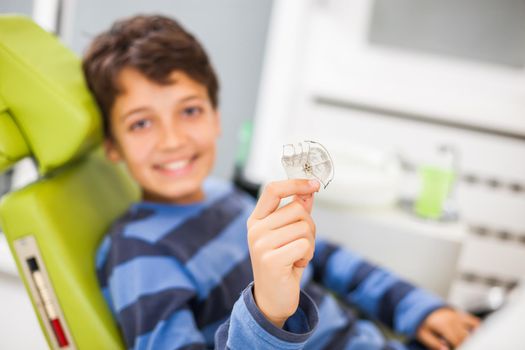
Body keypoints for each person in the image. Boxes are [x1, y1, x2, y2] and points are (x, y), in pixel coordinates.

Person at [82, 14, 479, 350]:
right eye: (141, 123)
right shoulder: (137, 254)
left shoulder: (228, 197)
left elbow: (325, 258)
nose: (172, 140)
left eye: (189, 111)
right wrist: (268, 310)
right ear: (113, 146)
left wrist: (421, 308)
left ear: (217, 117)